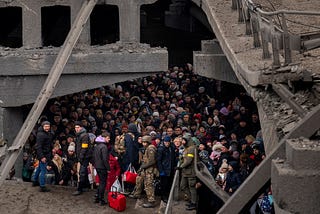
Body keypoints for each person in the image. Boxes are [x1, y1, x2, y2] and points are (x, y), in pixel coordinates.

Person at [129, 135, 158, 208]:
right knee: (139, 179)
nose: (144, 144)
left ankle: (151, 201)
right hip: (145, 168)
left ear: (148, 142)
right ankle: (136, 194)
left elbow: (152, 161)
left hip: (149, 170)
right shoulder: (147, 148)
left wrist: (142, 167)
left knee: (148, 185)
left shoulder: (151, 148)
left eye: (145, 142)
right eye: (143, 142)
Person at [177, 133, 197, 211]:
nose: (182, 141)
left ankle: (193, 203)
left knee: (192, 187)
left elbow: (189, 161)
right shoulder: (187, 148)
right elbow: (183, 158)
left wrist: (180, 167)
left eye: (184, 140)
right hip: (185, 172)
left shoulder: (192, 148)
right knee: (182, 186)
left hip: (191, 172)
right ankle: (191, 199)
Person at [33, 121, 54, 192]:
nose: (47, 128)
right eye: (46, 126)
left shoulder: (46, 133)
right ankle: (42, 186)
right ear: (43, 126)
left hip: (44, 153)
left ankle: (35, 180)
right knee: (43, 170)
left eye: (48, 126)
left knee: (39, 168)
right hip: (43, 154)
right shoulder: (41, 135)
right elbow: (39, 147)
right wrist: (42, 157)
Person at [72, 121, 92, 196]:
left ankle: (79, 189)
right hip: (83, 155)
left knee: (82, 172)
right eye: (75, 127)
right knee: (84, 171)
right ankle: (85, 186)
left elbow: (84, 147)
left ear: (81, 127)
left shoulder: (84, 135)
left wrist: (81, 157)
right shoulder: (80, 135)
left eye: (78, 127)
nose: (76, 129)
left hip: (84, 156)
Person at [157, 135, 176, 203]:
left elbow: (173, 158)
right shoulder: (161, 149)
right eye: (166, 142)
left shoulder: (171, 148)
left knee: (169, 184)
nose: (167, 144)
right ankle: (163, 197)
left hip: (170, 169)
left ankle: (168, 196)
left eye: (168, 142)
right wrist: (161, 170)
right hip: (164, 169)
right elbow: (158, 160)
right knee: (163, 185)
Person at [92, 135, 110, 205]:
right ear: (104, 138)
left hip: (97, 166)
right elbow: (105, 159)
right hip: (102, 167)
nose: (109, 139)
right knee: (103, 183)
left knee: (100, 182)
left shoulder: (97, 146)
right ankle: (101, 199)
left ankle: (97, 197)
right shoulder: (104, 147)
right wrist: (108, 168)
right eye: (108, 137)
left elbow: (93, 157)